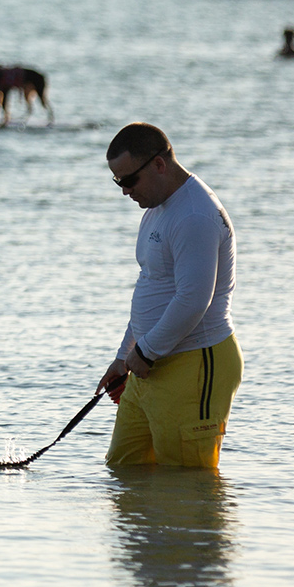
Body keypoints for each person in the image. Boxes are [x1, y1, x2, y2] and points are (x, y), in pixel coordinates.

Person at [95, 123, 242, 469]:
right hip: (150, 363)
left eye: (129, 181)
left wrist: (144, 352)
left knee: (186, 483)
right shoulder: (156, 209)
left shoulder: (194, 214)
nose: (124, 191)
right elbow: (152, 288)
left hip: (194, 364)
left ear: (159, 165)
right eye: (118, 182)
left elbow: (194, 299)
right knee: (124, 471)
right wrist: (125, 355)